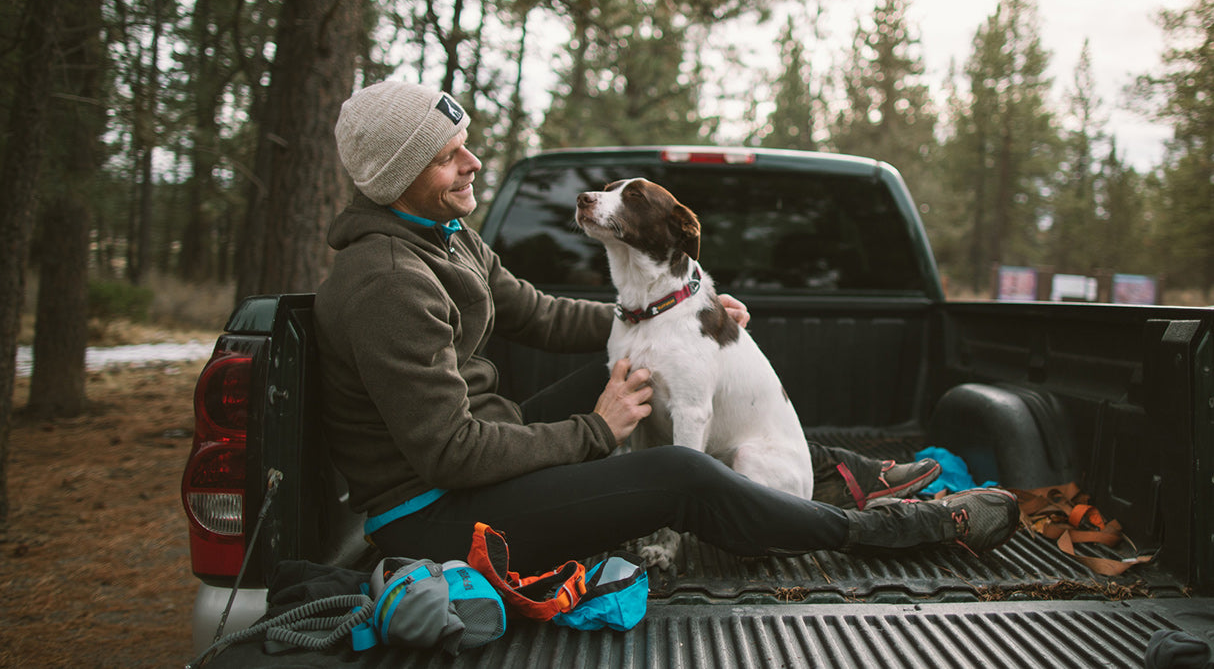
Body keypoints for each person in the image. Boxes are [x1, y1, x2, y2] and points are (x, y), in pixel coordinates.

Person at [313, 80, 1019, 575]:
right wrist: (597, 430)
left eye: (464, 144)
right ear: (398, 175)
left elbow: (534, 310)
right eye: (447, 156)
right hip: (435, 517)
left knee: (639, 372)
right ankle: (883, 529)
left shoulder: (444, 235)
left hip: (473, 468)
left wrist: (669, 317)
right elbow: (450, 454)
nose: (472, 163)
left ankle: (836, 470)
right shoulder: (387, 281)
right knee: (680, 470)